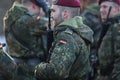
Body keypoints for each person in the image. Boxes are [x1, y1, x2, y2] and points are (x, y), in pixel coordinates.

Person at [34, 0, 94, 80]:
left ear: (65, 14)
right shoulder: (78, 32)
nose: (51, 15)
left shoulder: (66, 37)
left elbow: (56, 72)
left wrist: (38, 68)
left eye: (53, 11)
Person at [3, 0, 49, 80]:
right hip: (30, 69)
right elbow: (52, 24)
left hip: (12, 66)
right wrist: (46, 10)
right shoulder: (29, 21)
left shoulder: (9, 17)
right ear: (34, 6)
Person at [97, 0, 120, 80]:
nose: (101, 10)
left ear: (116, 9)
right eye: (100, 7)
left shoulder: (117, 26)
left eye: (105, 7)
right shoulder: (109, 25)